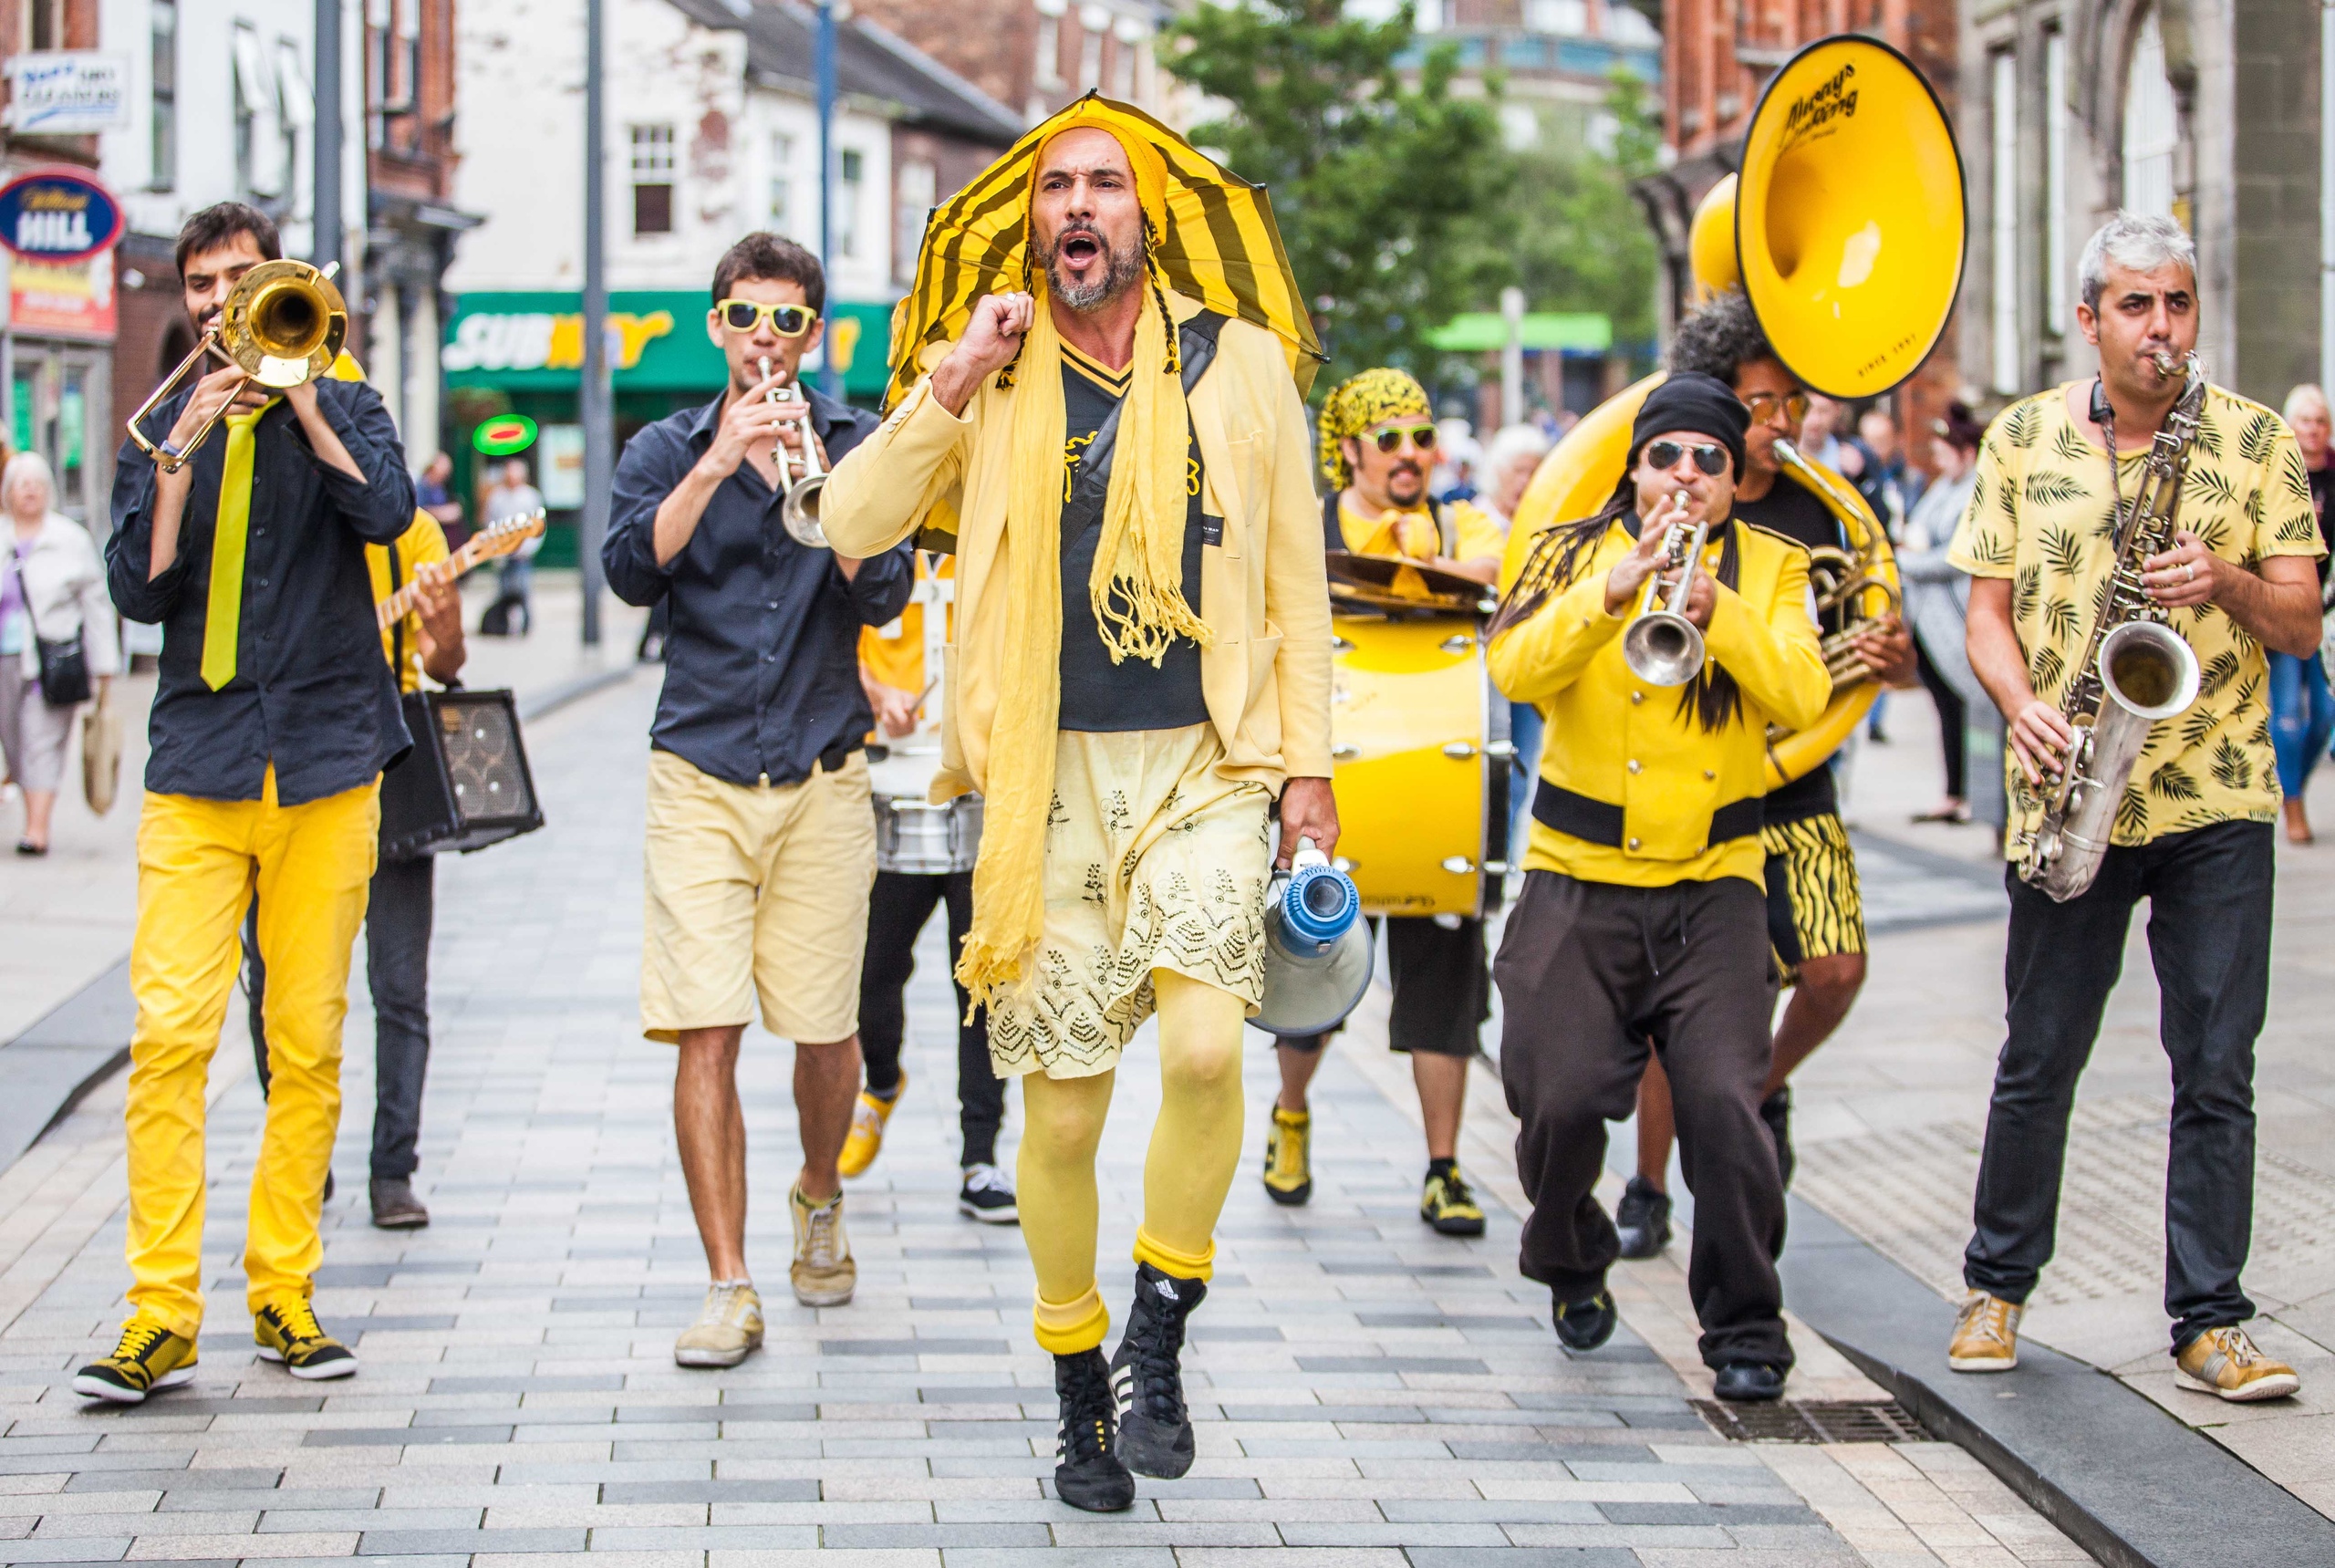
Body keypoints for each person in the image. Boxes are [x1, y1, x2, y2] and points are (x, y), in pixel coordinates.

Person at [820, 98, 1335, 1512]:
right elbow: (849, 523)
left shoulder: (1239, 366)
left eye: (1109, 183)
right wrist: (949, 379)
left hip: (1205, 764)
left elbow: (1297, 576)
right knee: (1055, 1126)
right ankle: (1077, 1381)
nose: (1083, 208)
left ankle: (1160, 1330)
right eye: (1060, 189)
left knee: (1211, 1050)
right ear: (1034, 223)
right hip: (1048, 781)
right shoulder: (993, 371)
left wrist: (1310, 770)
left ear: (1147, 215)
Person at [1946, 212, 2319, 1402]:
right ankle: (1997, 1284)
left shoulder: (2255, 441)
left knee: (2216, 1065)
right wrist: (2019, 705)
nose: (2162, 329)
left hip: (2216, 792)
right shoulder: (2022, 438)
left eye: (2178, 305)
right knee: (2038, 1055)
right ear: (2090, 317)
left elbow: (2304, 619)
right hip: (2070, 789)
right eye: (2137, 307)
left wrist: (2221, 579)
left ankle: (2211, 1319)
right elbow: (1985, 613)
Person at [77, 202, 416, 1403]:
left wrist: (306, 392)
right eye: (205, 284)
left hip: (327, 756)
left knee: (307, 1039)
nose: (225, 302)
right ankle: (159, 1311)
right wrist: (179, 453)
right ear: (184, 297)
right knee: (169, 1041)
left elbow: (387, 514)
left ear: (283, 283)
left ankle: (284, 1287)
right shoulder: (163, 418)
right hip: (202, 761)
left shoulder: (350, 399)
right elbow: (138, 589)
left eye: (245, 279)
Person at [603, 233, 916, 1368]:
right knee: (706, 1027)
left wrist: (817, 488)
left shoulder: (856, 439)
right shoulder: (663, 445)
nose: (765, 341)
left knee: (827, 1030)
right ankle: (728, 1283)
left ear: (815, 331)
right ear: (717, 327)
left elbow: (883, 591)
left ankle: (818, 1189)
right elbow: (632, 570)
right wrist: (716, 462)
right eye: (745, 318)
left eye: (787, 321)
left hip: (825, 773)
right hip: (697, 770)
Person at [1486, 374, 1829, 1403]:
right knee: (1548, 1100)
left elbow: (1802, 692)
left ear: (1733, 481)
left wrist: (1715, 613)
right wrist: (1609, 592)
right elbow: (1511, 669)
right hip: (1575, 879)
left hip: (1712, 884)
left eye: (1708, 461)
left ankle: (1744, 1326)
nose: (1685, 476)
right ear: (1634, 467)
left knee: (1727, 1102)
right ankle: (1572, 1253)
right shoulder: (1563, 551)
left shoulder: (1772, 566)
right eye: (1666, 455)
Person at [1610, 290, 1916, 1262]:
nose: (1785, 422)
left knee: (1835, 970)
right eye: (1763, 402)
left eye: (1791, 402)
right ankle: (1649, 1184)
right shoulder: (1662, 503)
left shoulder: (1820, 510)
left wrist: (1890, 661)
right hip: (1695, 787)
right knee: (1673, 1017)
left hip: (1794, 781)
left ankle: (1755, 1090)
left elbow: (1860, 651)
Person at [1260, 368, 1503, 1233]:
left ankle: (1443, 1166)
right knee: (1307, 969)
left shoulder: (1459, 518)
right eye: (1390, 439)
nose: (1411, 456)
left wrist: (1427, 559)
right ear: (1351, 448)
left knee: (1446, 996)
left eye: (1422, 437)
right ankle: (1291, 1116)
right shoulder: (1312, 528)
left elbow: (1493, 563)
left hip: (1437, 801)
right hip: (1335, 794)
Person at [242, 509, 466, 1231]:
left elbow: (445, 666)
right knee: (271, 979)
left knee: (399, 985)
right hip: (281, 757)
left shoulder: (413, 531)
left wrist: (449, 620)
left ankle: (393, 1170)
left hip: (386, 757)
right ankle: (302, 1152)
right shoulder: (272, 518)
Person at [840, 548, 1018, 1221]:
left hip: (980, 789)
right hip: (887, 785)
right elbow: (826, 635)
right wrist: (871, 691)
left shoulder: (992, 536)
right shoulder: (872, 535)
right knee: (871, 973)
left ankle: (980, 1154)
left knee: (981, 986)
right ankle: (881, 1082)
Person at [2, 452, 119, 855]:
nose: (30, 491)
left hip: (53, 660)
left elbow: (96, 605)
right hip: (4, 658)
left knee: (41, 740)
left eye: (37, 483)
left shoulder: (70, 539)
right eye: (22, 484)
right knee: (13, 743)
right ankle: (26, 801)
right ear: (8, 493)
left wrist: (105, 668)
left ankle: (37, 829)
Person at [1900, 404, 1986, 824]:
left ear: (1967, 453)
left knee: (1964, 706)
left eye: (1945, 452)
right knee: (1946, 708)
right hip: (1927, 620)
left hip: (1955, 616)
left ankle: (1971, 793)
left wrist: (1904, 563)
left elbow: (1955, 557)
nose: (1937, 460)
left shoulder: (1976, 490)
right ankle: (1954, 791)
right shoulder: (1943, 488)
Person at [1480, 423, 1555, 854]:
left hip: (1527, 662)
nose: (1527, 482)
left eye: (1536, 471)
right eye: (1519, 471)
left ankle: (1502, 858)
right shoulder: (1476, 520)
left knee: (1519, 769)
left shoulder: (1547, 531)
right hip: (1477, 671)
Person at [2271, 384, 2335, 842]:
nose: (2313, 430)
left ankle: (2294, 784)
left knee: (2327, 714)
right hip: (2288, 608)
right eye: (2305, 420)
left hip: (2328, 612)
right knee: (2289, 714)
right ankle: (2292, 806)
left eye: (2320, 421)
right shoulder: (2276, 471)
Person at [479, 459, 544, 636]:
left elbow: (538, 526)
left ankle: (525, 625)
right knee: (504, 591)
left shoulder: (530, 496)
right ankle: (503, 626)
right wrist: (493, 548)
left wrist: (528, 548)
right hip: (503, 552)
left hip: (522, 553)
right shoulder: (497, 496)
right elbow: (490, 522)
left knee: (522, 590)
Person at [415, 451, 464, 548]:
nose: (443, 476)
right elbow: (418, 512)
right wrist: (443, 514)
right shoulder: (421, 487)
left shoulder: (439, 488)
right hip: (426, 538)